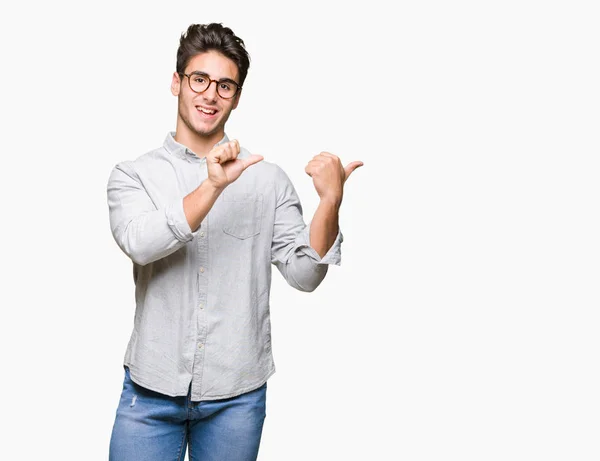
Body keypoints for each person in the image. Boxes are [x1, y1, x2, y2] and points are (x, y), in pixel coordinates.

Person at [107, 22, 362, 461]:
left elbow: (305, 276)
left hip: (236, 397)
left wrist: (330, 202)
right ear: (177, 82)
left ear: (237, 97)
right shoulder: (133, 175)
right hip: (150, 392)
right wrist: (212, 187)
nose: (210, 94)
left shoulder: (267, 179)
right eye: (199, 79)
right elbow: (140, 243)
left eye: (225, 85)